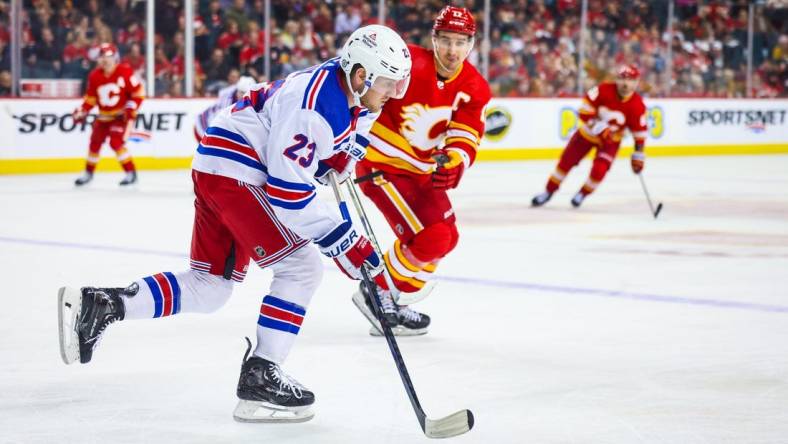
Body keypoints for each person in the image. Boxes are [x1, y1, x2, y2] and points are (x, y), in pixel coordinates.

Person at [57, 25, 411, 423]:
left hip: (219, 166)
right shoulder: (314, 107)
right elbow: (289, 194)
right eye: (387, 83)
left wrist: (343, 156)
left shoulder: (348, 85)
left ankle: (105, 304)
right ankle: (261, 375)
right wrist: (348, 244)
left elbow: (352, 128)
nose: (392, 94)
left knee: (211, 288)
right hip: (237, 171)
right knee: (301, 267)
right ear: (361, 75)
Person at [352, 6, 491, 336]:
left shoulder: (475, 86)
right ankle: (379, 294)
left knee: (446, 238)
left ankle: (391, 301)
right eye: (445, 40)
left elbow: (466, 133)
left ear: (471, 44)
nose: (452, 50)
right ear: (434, 39)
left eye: (460, 42)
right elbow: (365, 96)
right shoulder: (406, 63)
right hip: (380, 165)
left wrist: (456, 162)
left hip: (420, 172)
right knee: (432, 237)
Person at [531, 64, 648, 207]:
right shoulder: (600, 89)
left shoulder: (638, 105)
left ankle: (582, 194)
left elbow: (640, 132)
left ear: (637, 82)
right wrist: (599, 126)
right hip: (586, 135)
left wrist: (638, 154)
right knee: (565, 164)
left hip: (610, 142)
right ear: (616, 79)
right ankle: (548, 192)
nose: (625, 83)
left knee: (600, 170)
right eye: (622, 79)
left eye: (630, 80)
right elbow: (584, 108)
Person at [72, 43, 144, 187]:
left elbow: (138, 93)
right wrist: (82, 110)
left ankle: (131, 173)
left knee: (116, 142)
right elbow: (91, 99)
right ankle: (88, 173)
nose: (105, 59)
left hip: (120, 117)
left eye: (108, 56)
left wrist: (130, 108)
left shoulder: (125, 71)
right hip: (103, 117)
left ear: (115, 57)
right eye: (102, 56)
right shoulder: (94, 76)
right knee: (94, 143)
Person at [193, 75, 257, 141]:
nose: (245, 96)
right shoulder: (227, 101)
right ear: (238, 91)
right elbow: (223, 125)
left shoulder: (250, 99)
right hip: (203, 124)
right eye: (242, 93)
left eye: (248, 93)